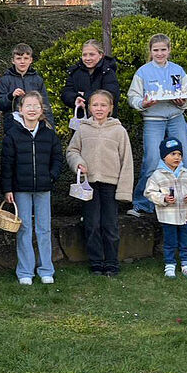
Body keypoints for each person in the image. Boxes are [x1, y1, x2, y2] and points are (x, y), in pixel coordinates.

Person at [66, 90, 133, 276]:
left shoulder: (119, 131)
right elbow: (72, 151)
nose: (99, 108)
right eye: (95, 105)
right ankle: (96, 262)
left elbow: (127, 161)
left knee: (109, 225)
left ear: (111, 108)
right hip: (89, 185)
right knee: (92, 224)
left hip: (111, 184)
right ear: (89, 107)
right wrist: (78, 162)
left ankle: (111, 263)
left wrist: (124, 191)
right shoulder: (83, 129)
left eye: (103, 105)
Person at [127, 34, 187, 217]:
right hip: (153, 120)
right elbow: (133, 97)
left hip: (175, 118)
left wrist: (182, 102)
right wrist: (143, 104)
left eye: (163, 49)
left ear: (169, 50)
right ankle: (143, 204)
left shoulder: (177, 70)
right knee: (151, 160)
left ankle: (186, 201)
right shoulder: (143, 72)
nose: (159, 53)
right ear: (150, 51)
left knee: (183, 159)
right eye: (156, 50)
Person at [0, 92, 62, 285]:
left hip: (43, 188)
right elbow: (7, 164)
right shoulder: (12, 135)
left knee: (44, 229)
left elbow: (57, 158)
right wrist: (7, 189)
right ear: (20, 110)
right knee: (24, 229)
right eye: (28, 106)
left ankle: (46, 270)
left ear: (41, 109)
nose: (32, 109)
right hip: (21, 189)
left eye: (36, 106)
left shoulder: (49, 134)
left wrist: (52, 176)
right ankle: (25, 271)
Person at [144, 138, 187, 280]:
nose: (177, 157)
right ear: (164, 156)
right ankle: (169, 264)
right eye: (173, 154)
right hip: (168, 216)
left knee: (186, 241)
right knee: (170, 242)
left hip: (186, 215)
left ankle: (186, 264)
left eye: (179, 154)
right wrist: (163, 199)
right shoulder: (157, 175)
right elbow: (149, 192)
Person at [0, 43, 54, 133]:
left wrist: (51, 128)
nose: (22, 62)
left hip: (36, 124)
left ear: (31, 60)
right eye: (19, 59)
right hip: (13, 125)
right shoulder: (5, 80)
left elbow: (45, 104)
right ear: (13, 60)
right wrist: (11, 96)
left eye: (26, 58)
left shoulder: (38, 80)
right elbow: (0, 104)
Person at [61, 39, 120, 117]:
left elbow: (110, 95)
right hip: (81, 120)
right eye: (84, 55)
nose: (87, 58)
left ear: (101, 55)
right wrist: (75, 99)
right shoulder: (75, 72)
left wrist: (83, 95)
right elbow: (66, 93)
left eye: (92, 54)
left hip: (105, 121)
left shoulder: (108, 72)